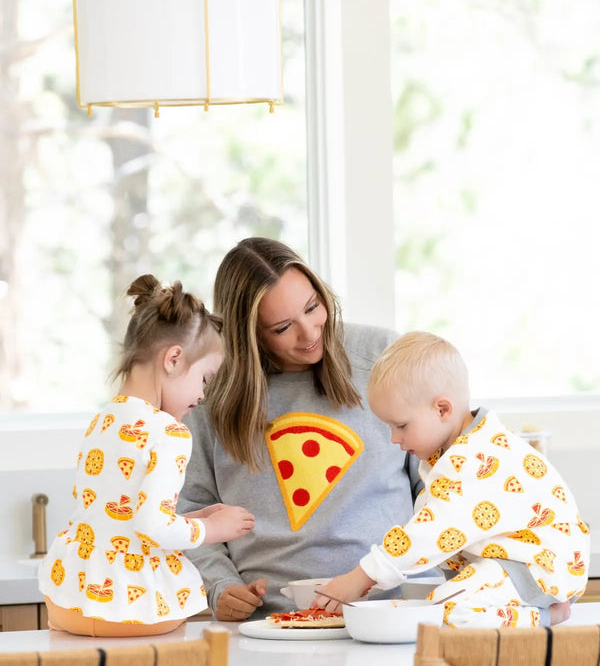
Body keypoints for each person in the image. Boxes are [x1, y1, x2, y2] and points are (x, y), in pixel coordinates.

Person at [178, 238, 423, 621]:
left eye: (313, 307)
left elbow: (439, 478)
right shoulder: (207, 389)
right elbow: (189, 511)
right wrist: (219, 586)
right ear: (250, 335)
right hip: (270, 621)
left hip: (392, 611)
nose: (309, 333)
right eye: (282, 328)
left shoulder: (382, 355)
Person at [314, 331, 591, 628]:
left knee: (442, 612)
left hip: (535, 567)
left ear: (442, 409)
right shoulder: (458, 452)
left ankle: (545, 615)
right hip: (515, 563)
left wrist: (362, 576)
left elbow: (430, 531)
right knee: (432, 604)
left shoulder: (476, 460)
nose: (394, 439)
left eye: (401, 425)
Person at [38, 275, 254, 637]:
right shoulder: (168, 431)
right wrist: (211, 529)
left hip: (69, 598)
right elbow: (152, 528)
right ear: (173, 359)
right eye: (204, 379)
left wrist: (194, 516)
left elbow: (118, 510)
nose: (203, 396)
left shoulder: (104, 419)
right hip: (128, 608)